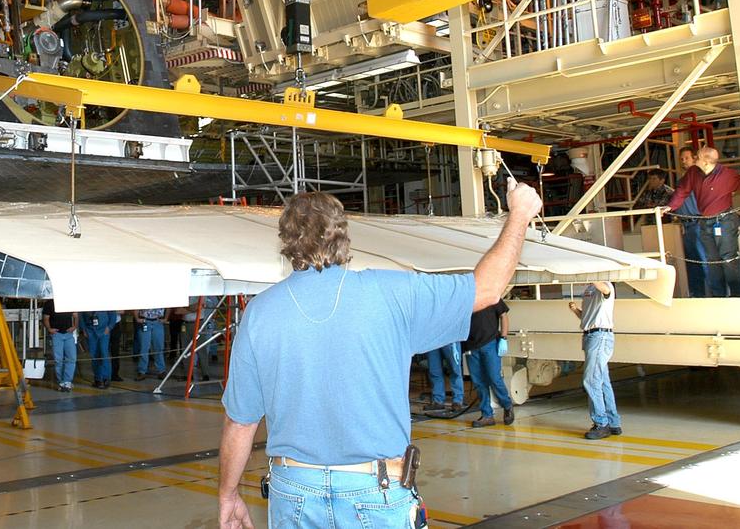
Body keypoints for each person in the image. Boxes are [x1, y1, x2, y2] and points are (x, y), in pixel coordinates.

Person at [219, 183, 543, 529]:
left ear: (285, 243)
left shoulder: (259, 313)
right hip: (374, 489)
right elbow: (488, 288)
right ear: (343, 238)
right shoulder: (393, 293)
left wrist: (228, 494)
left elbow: (241, 422)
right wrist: (520, 214)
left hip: (293, 490)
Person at [663, 146, 740, 297]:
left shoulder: (727, 175)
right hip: (705, 221)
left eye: (697, 157)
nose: (694, 159)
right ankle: (718, 295)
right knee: (712, 260)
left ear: (706, 162)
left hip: (724, 220)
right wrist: (670, 206)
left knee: (728, 257)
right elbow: (683, 190)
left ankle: (738, 295)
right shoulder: (693, 173)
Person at [569, 281, 621, 440]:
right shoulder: (589, 290)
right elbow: (587, 316)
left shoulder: (605, 285)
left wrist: (593, 276)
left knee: (591, 380)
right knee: (602, 381)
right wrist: (575, 311)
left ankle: (601, 423)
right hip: (590, 335)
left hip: (600, 337)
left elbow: (605, 290)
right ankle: (612, 422)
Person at [463, 299, 513, 428]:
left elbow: (504, 315)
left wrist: (504, 338)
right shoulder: (464, 298)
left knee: (494, 378)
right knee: (479, 383)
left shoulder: (491, 295)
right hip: (471, 346)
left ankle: (507, 405)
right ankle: (487, 415)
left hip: (490, 343)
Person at [675, 148, 708, 297]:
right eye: (682, 159)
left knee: (703, 260)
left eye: (686, 158)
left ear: (694, 158)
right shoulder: (682, 180)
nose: (683, 162)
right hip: (686, 224)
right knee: (692, 262)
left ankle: (713, 293)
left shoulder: (701, 178)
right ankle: (698, 293)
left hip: (698, 222)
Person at [44, 301, 79, 392]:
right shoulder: (49, 303)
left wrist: (74, 326)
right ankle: (61, 382)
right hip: (57, 334)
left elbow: (76, 316)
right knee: (58, 359)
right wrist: (49, 329)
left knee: (71, 358)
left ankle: (67, 381)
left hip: (68, 333)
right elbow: (46, 318)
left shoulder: (69, 301)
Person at [80, 310, 119, 389]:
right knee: (94, 355)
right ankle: (98, 379)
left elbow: (113, 314)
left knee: (104, 353)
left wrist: (109, 327)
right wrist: (83, 329)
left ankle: (106, 378)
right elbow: (80, 315)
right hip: (90, 331)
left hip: (104, 330)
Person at [424, 343, 464, 413]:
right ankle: (438, 401)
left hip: (450, 337)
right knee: (434, 371)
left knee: (455, 370)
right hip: (432, 337)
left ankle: (457, 401)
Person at [135, 307, 167, 380]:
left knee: (158, 347)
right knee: (144, 348)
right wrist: (137, 318)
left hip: (158, 321)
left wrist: (166, 318)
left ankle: (161, 370)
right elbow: (135, 305)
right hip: (144, 321)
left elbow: (168, 306)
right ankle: (142, 371)